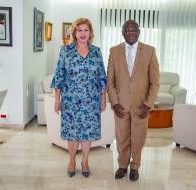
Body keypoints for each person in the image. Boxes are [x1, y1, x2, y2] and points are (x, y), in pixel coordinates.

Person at [50, 18, 106, 178]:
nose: (83, 33)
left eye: (86, 30)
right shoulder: (66, 51)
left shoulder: (96, 52)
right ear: (74, 33)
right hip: (70, 101)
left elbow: (102, 77)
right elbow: (59, 76)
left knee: (88, 132)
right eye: (79, 30)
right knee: (72, 132)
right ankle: (72, 160)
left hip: (91, 100)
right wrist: (56, 99)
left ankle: (86, 161)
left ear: (90, 33)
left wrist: (103, 98)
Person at [107, 20, 159, 181]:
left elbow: (155, 81)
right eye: (127, 30)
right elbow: (110, 80)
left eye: (134, 29)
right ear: (122, 32)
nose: (131, 32)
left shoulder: (150, 51)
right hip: (120, 105)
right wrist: (114, 102)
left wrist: (148, 104)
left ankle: (135, 166)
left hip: (140, 106)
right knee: (122, 137)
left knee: (138, 138)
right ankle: (122, 165)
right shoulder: (114, 51)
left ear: (139, 31)